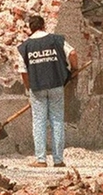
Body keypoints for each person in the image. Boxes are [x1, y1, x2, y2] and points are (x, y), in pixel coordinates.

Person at [18, 14, 78, 168]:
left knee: (39, 122)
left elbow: (23, 72)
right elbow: (72, 53)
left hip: (37, 88)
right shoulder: (55, 40)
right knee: (57, 120)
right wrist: (74, 70)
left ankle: (41, 160)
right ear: (44, 26)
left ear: (30, 29)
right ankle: (58, 160)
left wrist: (28, 89)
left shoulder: (25, 47)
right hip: (56, 85)